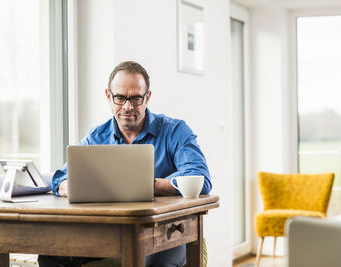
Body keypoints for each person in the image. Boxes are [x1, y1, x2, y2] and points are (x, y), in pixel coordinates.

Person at [38, 61, 212, 267]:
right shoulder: (97, 137)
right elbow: (61, 177)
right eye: (120, 98)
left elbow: (200, 178)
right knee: (50, 254)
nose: (127, 107)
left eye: (136, 98)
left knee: (148, 261)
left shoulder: (175, 131)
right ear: (108, 96)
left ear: (147, 97)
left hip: (168, 232)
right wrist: (70, 186)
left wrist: (147, 185)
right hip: (111, 233)